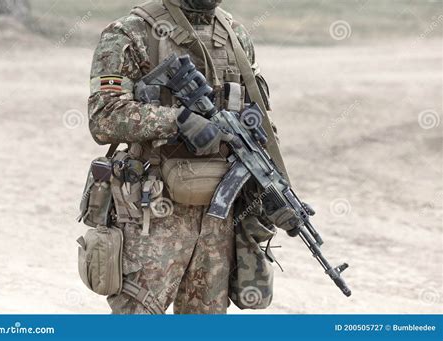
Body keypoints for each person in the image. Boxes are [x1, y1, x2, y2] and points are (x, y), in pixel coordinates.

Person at [87, 0, 297, 314]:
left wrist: (273, 192)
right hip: (152, 211)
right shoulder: (130, 32)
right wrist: (178, 121)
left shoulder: (234, 35)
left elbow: (260, 123)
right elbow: (103, 118)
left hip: (219, 219)